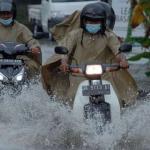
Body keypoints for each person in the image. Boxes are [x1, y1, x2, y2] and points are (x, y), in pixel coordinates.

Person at [42, 2, 138, 107]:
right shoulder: (75, 35)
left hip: (104, 74)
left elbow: (118, 52)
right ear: (83, 21)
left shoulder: (109, 36)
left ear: (102, 22)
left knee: (117, 100)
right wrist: (64, 63)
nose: (93, 23)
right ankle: (69, 121)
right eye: (90, 21)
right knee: (71, 99)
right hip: (79, 74)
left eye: (96, 21)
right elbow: (66, 51)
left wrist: (123, 61)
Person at [0, 0, 42, 78]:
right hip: (1, 57)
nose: (6, 16)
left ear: (13, 14)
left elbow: (31, 40)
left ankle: (30, 86)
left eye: (8, 13)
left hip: (19, 59)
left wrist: (34, 47)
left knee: (32, 66)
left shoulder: (21, 28)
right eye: (3, 13)